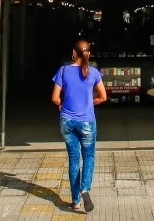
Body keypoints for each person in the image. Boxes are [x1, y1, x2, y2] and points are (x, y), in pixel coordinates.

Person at [51, 40, 106, 213]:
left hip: (67, 121)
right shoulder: (94, 73)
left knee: (74, 159)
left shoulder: (63, 70)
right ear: (88, 54)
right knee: (88, 156)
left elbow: (55, 98)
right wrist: (89, 102)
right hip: (87, 122)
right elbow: (103, 97)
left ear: (73, 53)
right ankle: (84, 189)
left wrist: (62, 104)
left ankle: (75, 202)